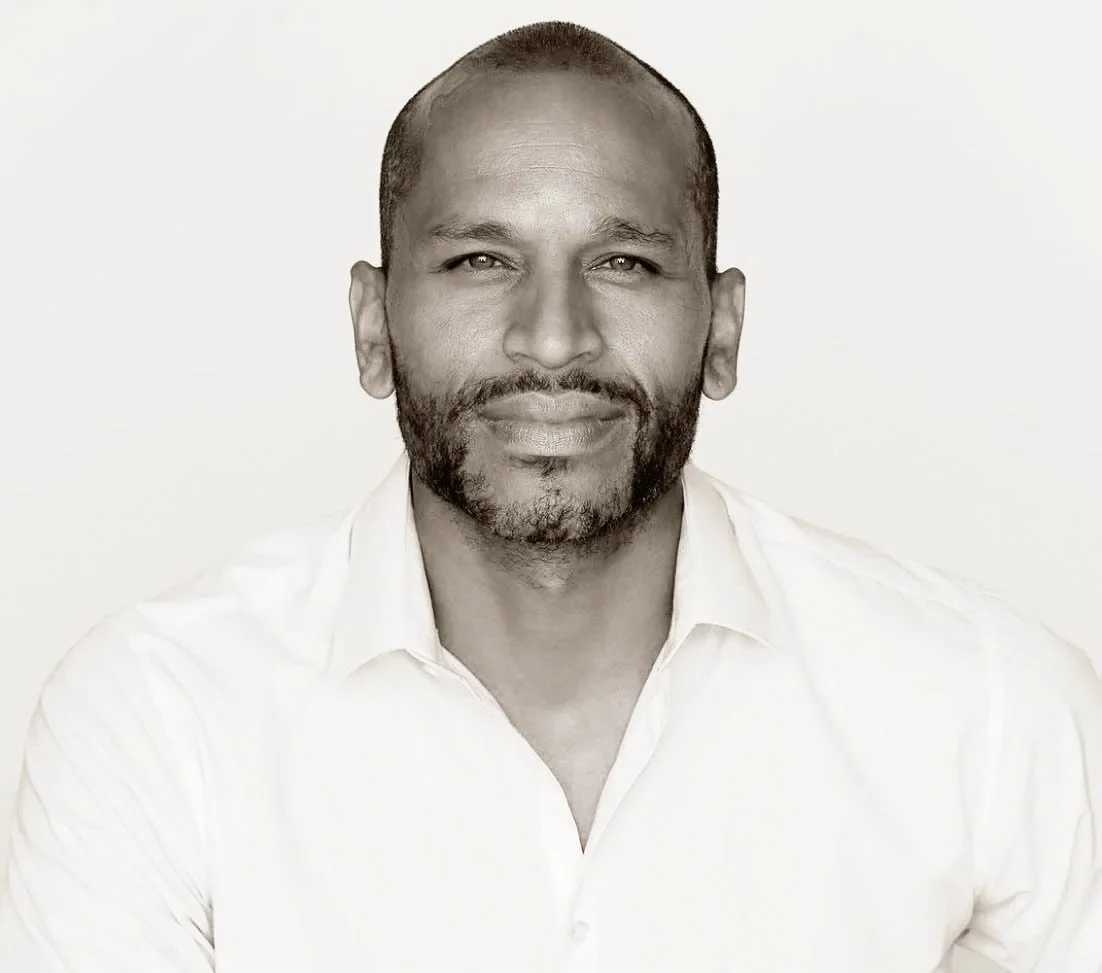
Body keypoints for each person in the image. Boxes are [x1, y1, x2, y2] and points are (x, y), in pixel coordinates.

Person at [1, 19, 1099, 973]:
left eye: (624, 263)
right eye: (482, 261)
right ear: (372, 327)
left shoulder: (996, 711)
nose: (554, 338)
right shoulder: (156, 719)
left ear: (721, 330)